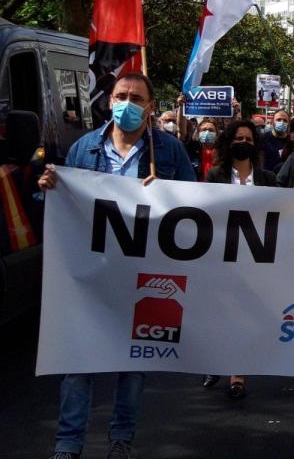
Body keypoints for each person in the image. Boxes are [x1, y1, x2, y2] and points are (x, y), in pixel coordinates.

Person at [38, 73, 196, 459]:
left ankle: (121, 440)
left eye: (137, 98)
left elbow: (196, 207)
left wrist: (169, 196)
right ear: (110, 101)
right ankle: (68, 445)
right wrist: (47, 189)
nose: (128, 103)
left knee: (134, 362)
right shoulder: (83, 149)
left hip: (147, 274)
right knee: (78, 360)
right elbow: (65, 206)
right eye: (121, 96)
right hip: (91, 273)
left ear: (150, 106)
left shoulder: (170, 152)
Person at [200, 120, 279, 398]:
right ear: (228, 143)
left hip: (255, 258)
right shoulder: (215, 176)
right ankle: (216, 362)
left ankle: (238, 375)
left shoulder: (268, 178)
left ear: (255, 144)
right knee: (221, 313)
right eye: (238, 138)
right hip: (222, 255)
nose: (243, 143)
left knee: (245, 315)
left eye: (248, 139)